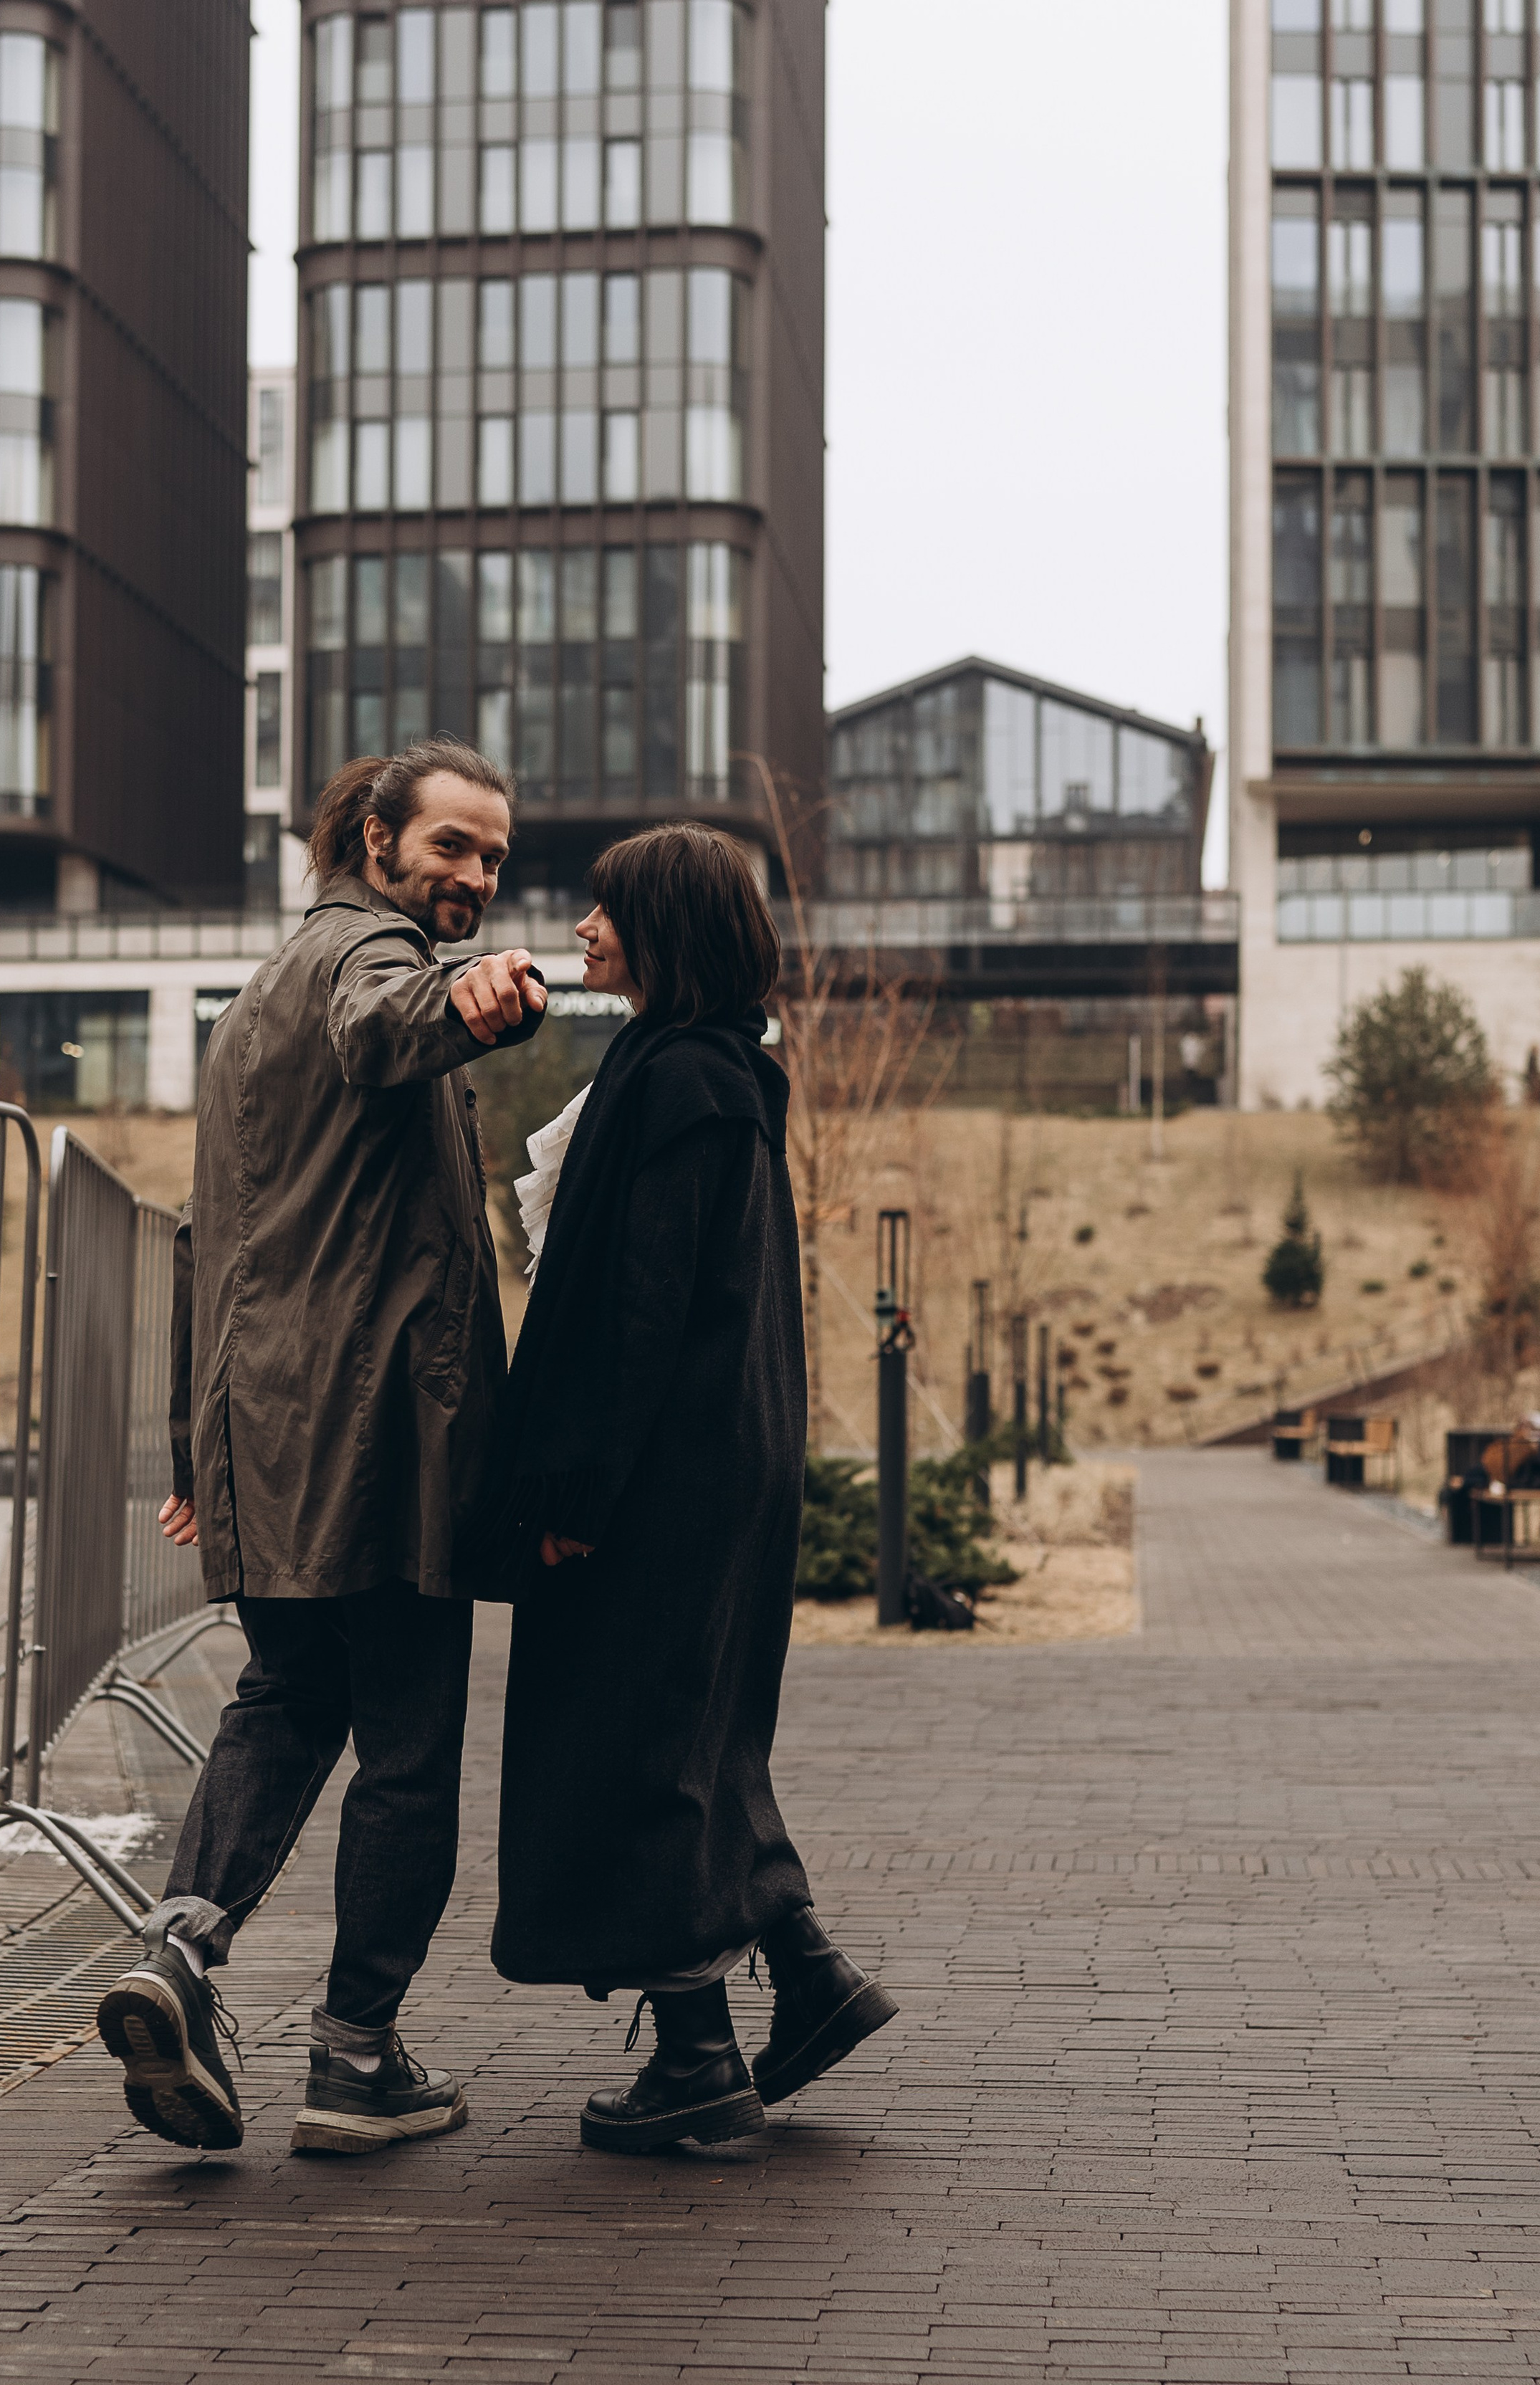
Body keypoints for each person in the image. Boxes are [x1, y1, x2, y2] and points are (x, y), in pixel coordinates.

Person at [96, 741, 547, 2159]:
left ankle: (177, 1950)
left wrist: (198, 1449)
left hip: (271, 1425)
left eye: (491, 857)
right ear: (370, 835)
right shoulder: (370, 959)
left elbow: (208, 1242)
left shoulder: (251, 1003)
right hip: (381, 1435)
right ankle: (355, 2056)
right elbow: (388, 1024)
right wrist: (468, 1002)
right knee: (409, 1748)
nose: (475, 877)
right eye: (453, 848)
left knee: (285, 1695)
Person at [483, 823, 896, 2153]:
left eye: (608, 913)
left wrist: (570, 1494)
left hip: (661, 1482)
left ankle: (700, 2068)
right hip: (721, 1465)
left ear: (667, 932)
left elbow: (633, 1320)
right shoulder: (715, 1073)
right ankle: (812, 1980)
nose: (585, 931)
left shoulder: (675, 1085)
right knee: (699, 1737)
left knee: (640, 1747)